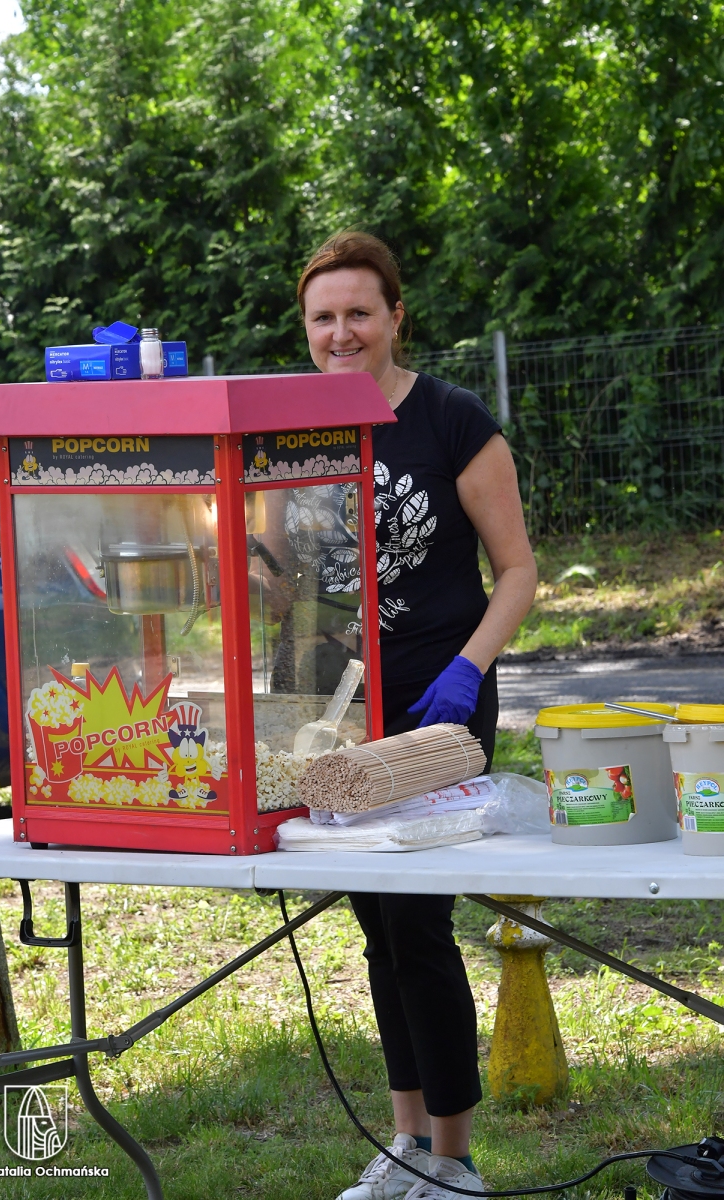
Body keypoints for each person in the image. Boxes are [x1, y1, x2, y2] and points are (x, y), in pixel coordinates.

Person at [296, 232, 538, 1200]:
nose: (341, 332)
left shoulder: (450, 419)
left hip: (441, 703)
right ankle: (404, 1147)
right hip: (343, 708)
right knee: (374, 925)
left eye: (359, 312)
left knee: (418, 923)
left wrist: (466, 670)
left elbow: (516, 571)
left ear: (395, 316)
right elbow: (301, 583)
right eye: (323, 317)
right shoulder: (300, 428)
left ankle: (454, 1158)